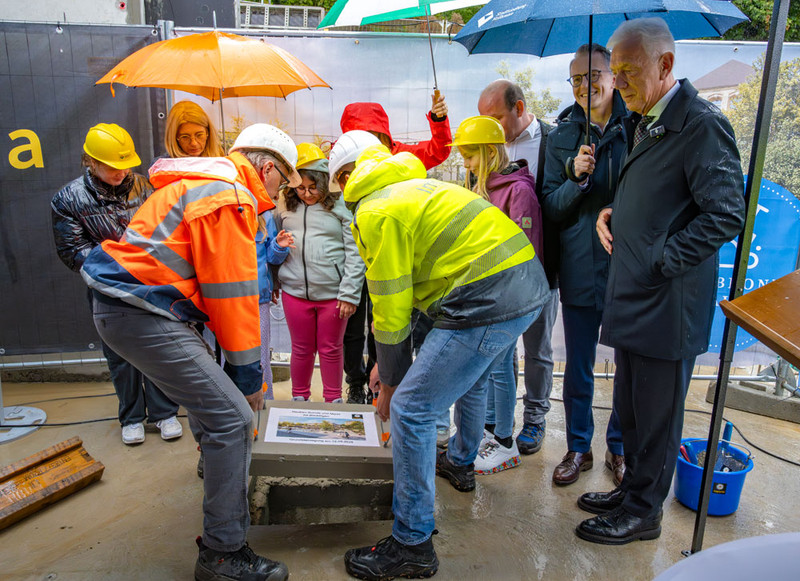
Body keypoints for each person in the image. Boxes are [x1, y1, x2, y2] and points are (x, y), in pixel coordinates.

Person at [80, 123, 302, 580]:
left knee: (216, 407)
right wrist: (247, 381)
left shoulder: (195, 183)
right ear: (267, 168)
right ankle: (223, 554)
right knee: (234, 418)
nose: (281, 193)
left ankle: (219, 476)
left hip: (132, 308)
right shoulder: (227, 195)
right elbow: (232, 294)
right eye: (283, 180)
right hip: (142, 310)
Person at [332, 133, 550, 580]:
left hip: (484, 297)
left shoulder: (376, 210)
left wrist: (393, 383)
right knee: (469, 379)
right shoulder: (415, 188)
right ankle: (461, 460)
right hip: (524, 286)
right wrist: (385, 364)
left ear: (346, 178)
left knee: (412, 408)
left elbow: (390, 305)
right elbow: (410, 291)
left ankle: (412, 543)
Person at [579, 18, 745, 545]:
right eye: (615, 70)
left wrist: (660, 258)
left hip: (665, 301)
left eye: (627, 70)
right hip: (635, 295)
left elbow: (724, 214)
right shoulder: (650, 120)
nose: (618, 81)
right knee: (630, 407)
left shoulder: (699, 123)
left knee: (655, 416)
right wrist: (614, 212)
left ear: (665, 65)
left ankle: (644, 512)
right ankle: (631, 493)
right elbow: (664, 198)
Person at [51, 123, 181, 445]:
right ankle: (132, 416)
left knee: (158, 347)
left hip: (151, 283)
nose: (121, 172)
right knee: (120, 355)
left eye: (126, 165)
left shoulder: (148, 186)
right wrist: (116, 262)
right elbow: (72, 251)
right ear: (91, 162)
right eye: (112, 166)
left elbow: (169, 231)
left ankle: (165, 413)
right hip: (107, 289)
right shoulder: (68, 199)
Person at [541, 44, 631, 487]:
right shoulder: (560, 134)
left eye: (593, 75)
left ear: (613, 76)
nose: (584, 86)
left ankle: (619, 446)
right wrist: (577, 179)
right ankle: (579, 446)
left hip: (627, 265)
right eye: (575, 79)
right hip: (579, 266)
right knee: (577, 366)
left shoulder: (637, 126)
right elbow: (551, 207)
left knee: (627, 366)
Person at [339, 93, 453, 404]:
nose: (367, 144)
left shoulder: (401, 155)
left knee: (385, 318)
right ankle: (356, 383)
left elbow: (438, 150)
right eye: (358, 136)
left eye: (374, 136)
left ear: (384, 136)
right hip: (353, 259)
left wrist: (439, 121)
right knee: (353, 326)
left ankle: (382, 379)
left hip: (390, 253)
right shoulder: (342, 163)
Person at [451, 115, 543, 475]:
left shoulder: (518, 191)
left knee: (503, 368)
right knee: (489, 367)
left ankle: (505, 441)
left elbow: (526, 250)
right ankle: (490, 431)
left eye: (470, 156)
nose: (465, 163)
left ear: (490, 152)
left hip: (510, 295)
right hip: (488, 296)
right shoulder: (481, 187)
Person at [478, 80, 560, 456]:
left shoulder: (553, 141)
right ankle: (500, 421)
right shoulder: (486, 150)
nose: (490, 127)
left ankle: (536, 418)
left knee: (538, 348)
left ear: (520, 107)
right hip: (499, 277)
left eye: (495, 118)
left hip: (543, 266)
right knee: (501, 350)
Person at [274, 143, 365, 403]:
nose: (306, 193)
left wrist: (349, 294)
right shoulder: (285, 206)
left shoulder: (341, 207)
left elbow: (355, 253)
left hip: (333, 295)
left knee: (331, 349)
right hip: (294, 292)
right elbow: (274, 246)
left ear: (325, 182)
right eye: (300, 187)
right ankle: (299, 398)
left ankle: (333, 400)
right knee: (301, 349)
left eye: (313, 187)